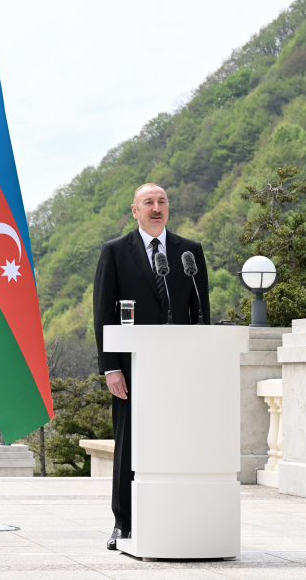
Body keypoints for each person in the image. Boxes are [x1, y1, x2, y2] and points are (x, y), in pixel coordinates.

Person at [93, 183, 209, 550]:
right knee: (129, 444)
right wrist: (111, 367)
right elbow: (103, 313)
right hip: (132, 368)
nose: (156, 208)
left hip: (178, 369)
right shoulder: (114, 252)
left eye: (161, 202)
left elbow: (200, 313)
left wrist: (200, 362)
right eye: (148, 203)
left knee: (179, 440)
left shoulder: (189, 253)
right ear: (134, 210)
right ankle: (122, 524)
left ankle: (177, 517)